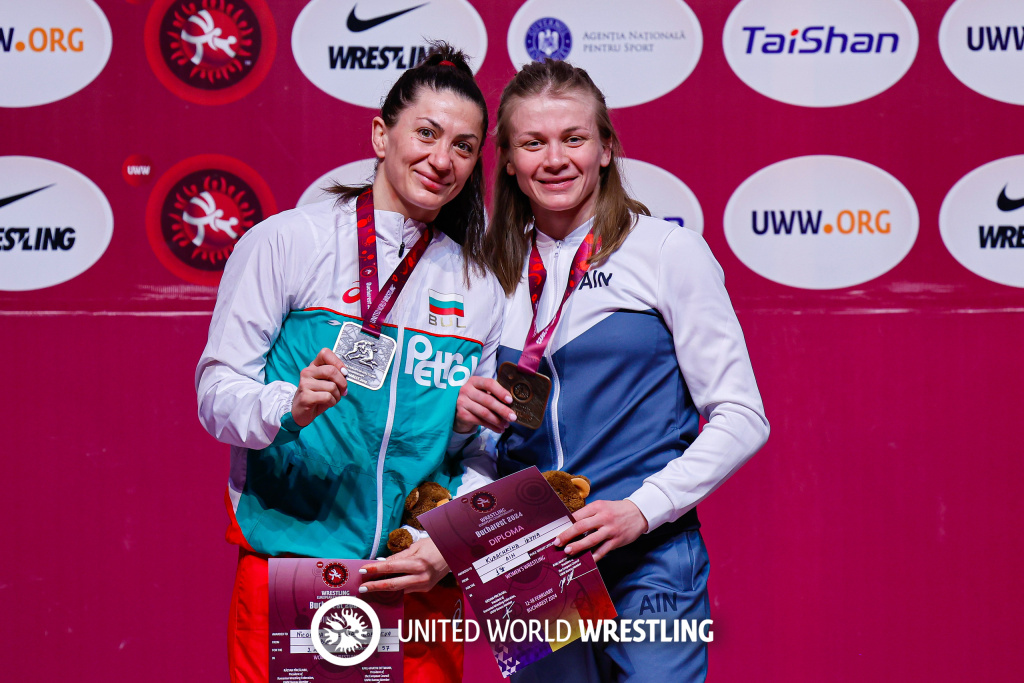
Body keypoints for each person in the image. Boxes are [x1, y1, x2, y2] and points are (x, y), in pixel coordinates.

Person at [195, 44, 511, 683]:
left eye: (465, 146)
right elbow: (215, 391)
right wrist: (288, 404)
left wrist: (448, 546)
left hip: (418, 578)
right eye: (426, 133)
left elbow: (480, 455)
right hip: (294, 566)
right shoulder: (289, 242)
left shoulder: (481, 286)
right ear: (380, 133)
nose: (441, 160)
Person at [458, 59, 770, 682]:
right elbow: (480, 444)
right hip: (528, 557)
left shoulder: (665, 251)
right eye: (533, 143)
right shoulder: (481, 272)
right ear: (509, 161)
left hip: (648, 552)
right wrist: (466, 443)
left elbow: (742, 417)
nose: (555, 159)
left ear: (606, 148)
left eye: (573, 139)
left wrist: (644, 508)